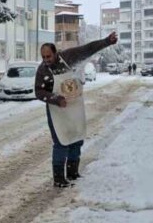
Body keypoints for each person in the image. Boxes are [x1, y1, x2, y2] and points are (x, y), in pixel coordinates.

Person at [35, 32, 118, 187]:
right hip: (57, 111)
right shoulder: (43, 71)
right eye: (44, 57)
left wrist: (107, 41)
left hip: (75, 106)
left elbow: (88, 49)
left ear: (55, 53)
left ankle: (73, 172)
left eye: (49, 56)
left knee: (77, 139)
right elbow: (39, 92)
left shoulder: (68, 57)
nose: (46, 60)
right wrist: (55, 99)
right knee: (61, 141)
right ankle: (59, 178)